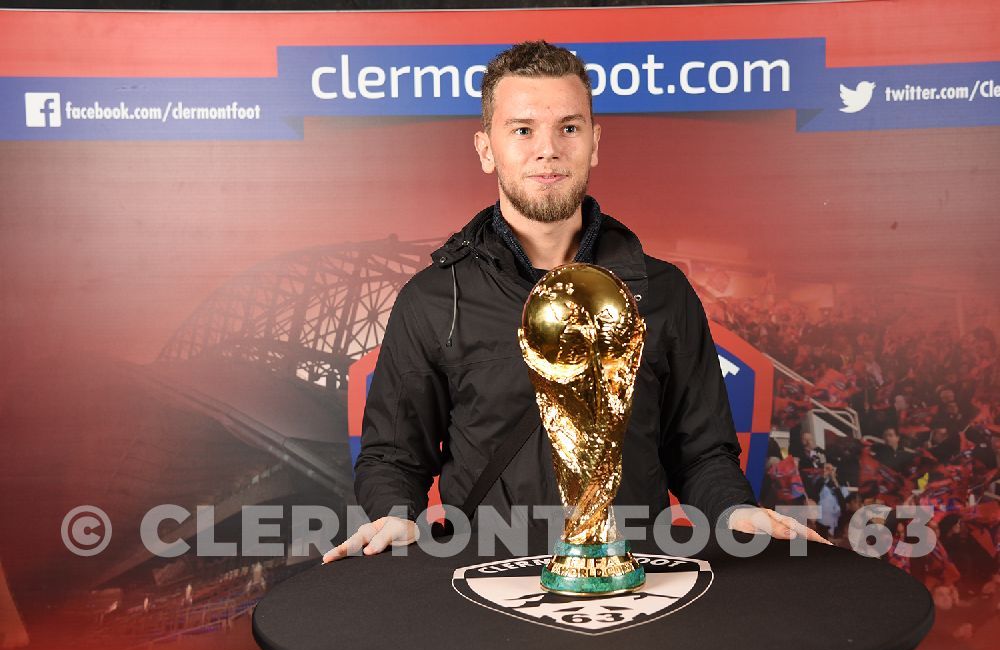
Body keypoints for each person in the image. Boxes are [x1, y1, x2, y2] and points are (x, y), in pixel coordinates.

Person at [323, 41, 829, 564]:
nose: (548, 149)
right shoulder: (433, 299)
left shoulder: (663, 293)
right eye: (522, 130)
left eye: (569, 127)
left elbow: (702, 453)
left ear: (594, 142)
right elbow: (393, 457)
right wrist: (393, 513)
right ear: (485, 148)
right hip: (487, 585)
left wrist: (732, 512)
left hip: (638, 584)